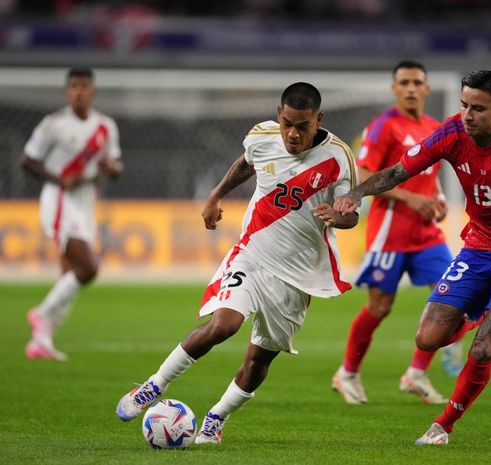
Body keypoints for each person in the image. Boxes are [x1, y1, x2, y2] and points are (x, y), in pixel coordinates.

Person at [116, 82, 359, 445]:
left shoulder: (339, 157)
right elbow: (246, 164)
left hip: (298, 276)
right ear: (279, 114)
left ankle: (216, 417)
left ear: (318, 119)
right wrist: (216, 194)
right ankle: (153, 386)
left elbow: (351, 215)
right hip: (253, 253)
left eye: (302, 126)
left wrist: (337, 217)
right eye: (287, 123)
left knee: (259, 360)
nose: (293, 134)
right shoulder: (261, 136)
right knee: (222, 325)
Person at [334, 70, 491, 445]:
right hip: (477, 247)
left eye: (478, 109)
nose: (468, 115)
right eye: (464, 105)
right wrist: (357, 194)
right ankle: (480, 315)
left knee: (485, 348)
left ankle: (443, 425)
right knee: (427, 339)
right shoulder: (452, 132)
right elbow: (396, 171)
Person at [332, 60, 475, 406]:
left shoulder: (431, 125)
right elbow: (365, 173)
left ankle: (416, 373)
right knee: (380, 307)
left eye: (417, 83)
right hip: (390, 233)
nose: (411, 88)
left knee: (453, 300)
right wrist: (412, 198)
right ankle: (347, 372)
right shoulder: (383, 127)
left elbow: (430, 173)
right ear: (394, 88)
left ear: (427, 88)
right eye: (404, 82)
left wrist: (438, 198)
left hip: (426, 234)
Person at [21, 67, 123, 361]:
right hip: (60, 199)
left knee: (70, 273)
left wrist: (111, 169)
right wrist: (56, 178)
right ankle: (41, 314)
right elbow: (26, 160)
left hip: (86, 200)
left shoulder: (106, 126)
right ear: (67, 92)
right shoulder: (53, 124)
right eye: (74, 86)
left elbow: (115, 166)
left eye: (84, 86)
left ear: (93, 91)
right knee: (89, 268)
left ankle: (40, 342)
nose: (79, 91)